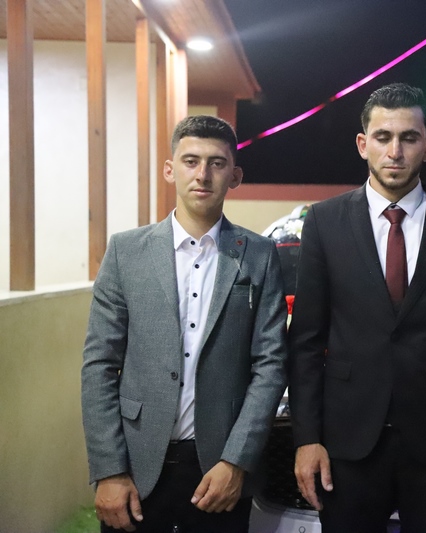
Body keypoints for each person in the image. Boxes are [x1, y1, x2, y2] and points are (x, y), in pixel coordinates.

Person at [288, 83, 426, 533]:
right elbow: (305, 341)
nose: (395, 151)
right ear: (363, 144)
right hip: (346, 444)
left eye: (409, 138)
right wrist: (306, 439)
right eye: (383, 137)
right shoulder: (324, 222)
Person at [81, 115, 289, 533]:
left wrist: (236, 461)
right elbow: (99, 364)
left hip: (220, 469)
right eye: (191, 161)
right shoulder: (126, 252)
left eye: (217, 163)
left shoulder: (259, 254)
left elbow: (270, 365)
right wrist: (109, 470)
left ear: (235, 175)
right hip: (135, 464)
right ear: (170, 169)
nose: (203, 174)